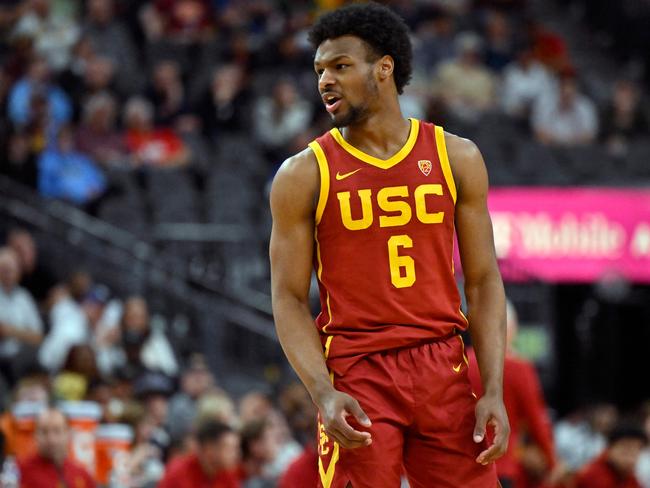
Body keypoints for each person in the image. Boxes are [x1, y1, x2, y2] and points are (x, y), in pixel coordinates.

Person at [269, 4, 509, 488]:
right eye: (319, 70)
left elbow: (483, 281)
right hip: (358, 370)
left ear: (385, 67)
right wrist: (322, 392)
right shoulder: (304, 173)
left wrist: (494, 389)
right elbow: (289, 298)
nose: (325, 81)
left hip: (443, 364)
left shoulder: (456, 156)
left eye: (340, 66)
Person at [468, 300, 556, 488]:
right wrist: (552, 463)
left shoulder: (459, 362)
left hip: (460, 466)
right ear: (512, 328)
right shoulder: (519, 368)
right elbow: (537, 421)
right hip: (501, 467)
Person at [17, 407, 95, 487]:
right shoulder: (19, 470)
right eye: (44, 432)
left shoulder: (82, 474)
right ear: (35, 435)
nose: (51, 439)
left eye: (57, 431)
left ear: (68, 434)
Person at [158, 419, 241, 488]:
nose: (237, 454)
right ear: (209, 449)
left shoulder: (227, 473)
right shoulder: (178, 472)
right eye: (231, 449)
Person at [574, 423, 646, 488]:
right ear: (609, 448)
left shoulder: (627, 475)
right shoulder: (593, 475)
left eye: (636, 451)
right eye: (626, 451)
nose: (631, 458)